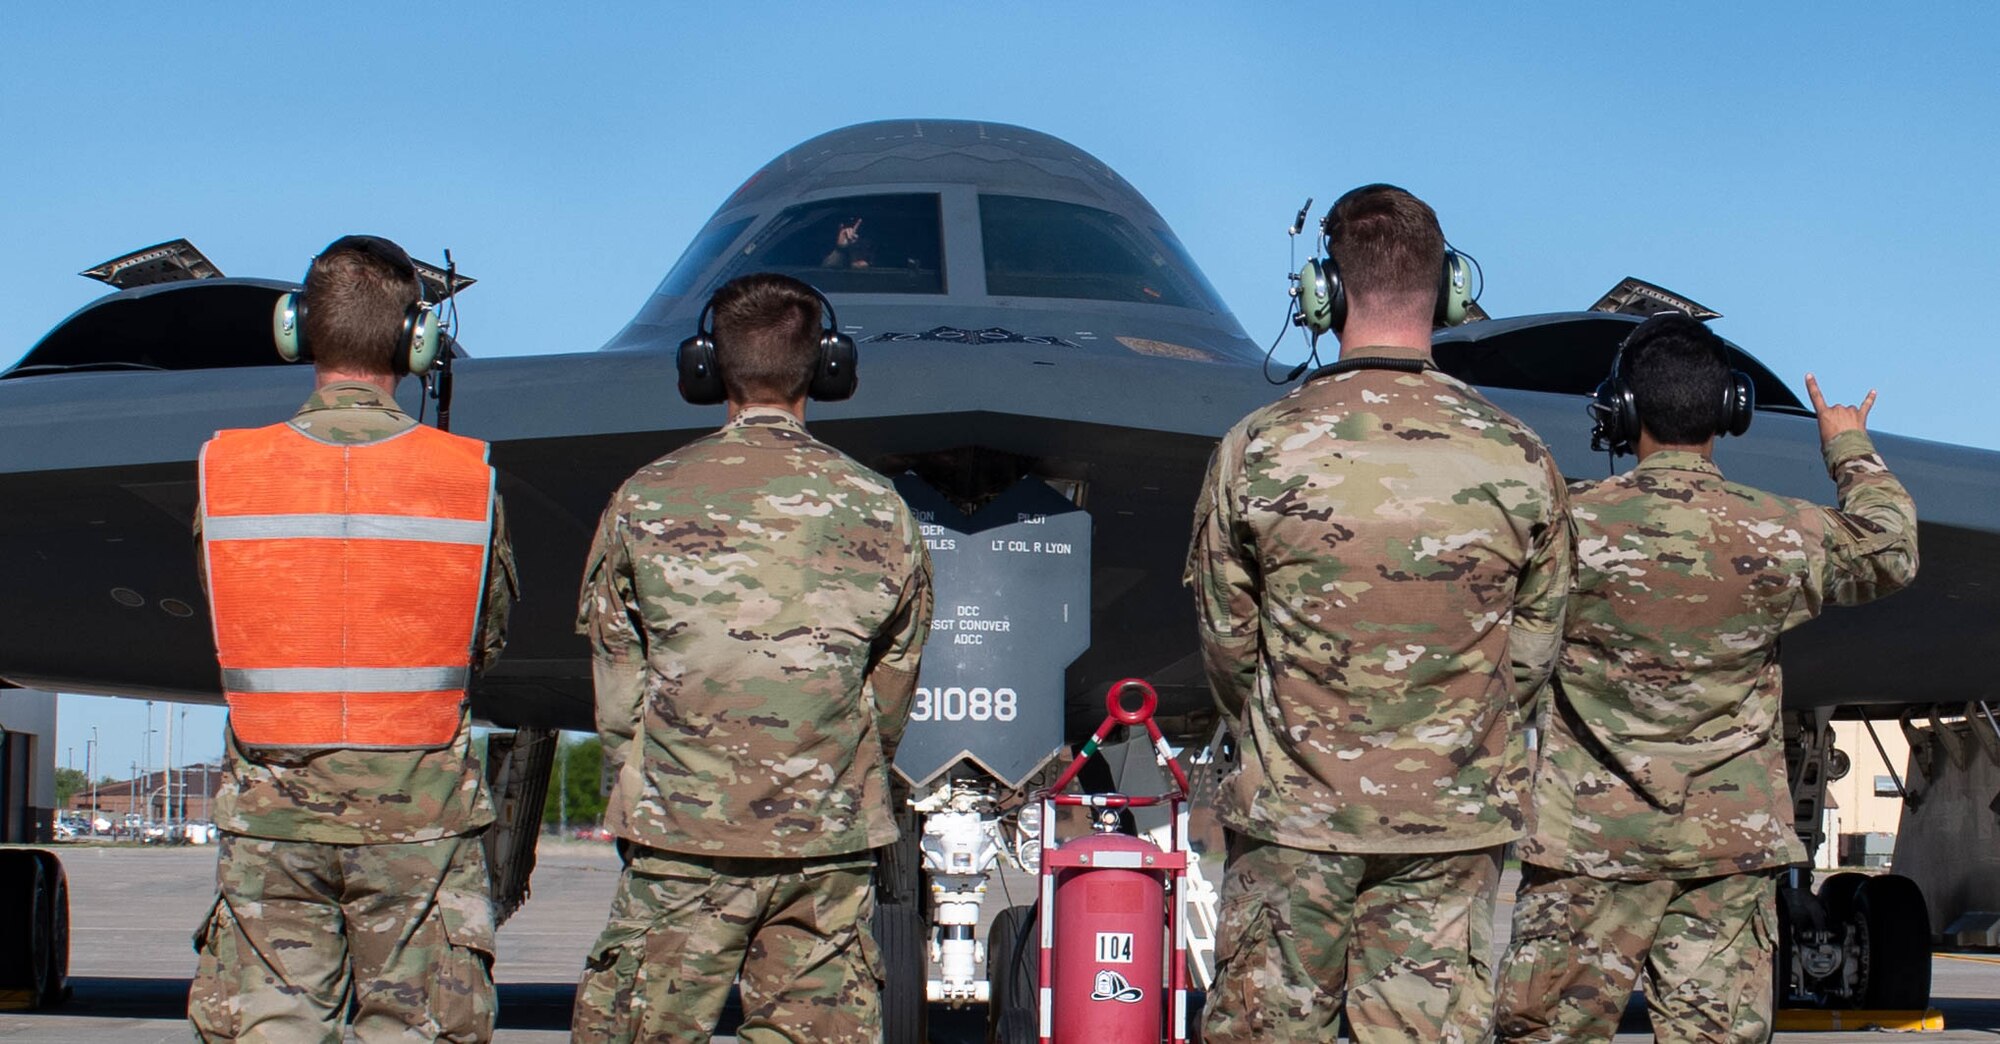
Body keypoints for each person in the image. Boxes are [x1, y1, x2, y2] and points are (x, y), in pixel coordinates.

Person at [1187, 184, 1573, 1043]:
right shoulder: (1519, 456)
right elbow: (1533, 652)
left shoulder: (1257, 446)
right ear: (1448, 292)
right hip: (1450, 818)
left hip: (1296, 817)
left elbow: (1226, 644)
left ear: (1323, 293)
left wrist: (1293, 740)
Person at [1494, 313, 1919, 1042]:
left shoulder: (1568, 525)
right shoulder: (1779, 531)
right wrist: (1847, 446)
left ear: (1622, 411)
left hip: (1588, 848)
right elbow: (1893, 545)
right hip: (1726, 853)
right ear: (1732, 412)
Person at [571, 272, 933, 1042]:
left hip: (681, 839)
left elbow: (617, 683)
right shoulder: (878, 507)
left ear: (707, 369)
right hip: (825, 846)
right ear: (826, 369)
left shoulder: (646, 498)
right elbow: (891, 688)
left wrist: (648, 797)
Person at [189, 235, 517, 1042]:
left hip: (272, 817)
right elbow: (489, 638)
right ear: (419, 339)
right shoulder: (468, 478)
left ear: (295, 329)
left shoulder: (225, 470)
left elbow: (227, 615)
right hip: (420, 823)